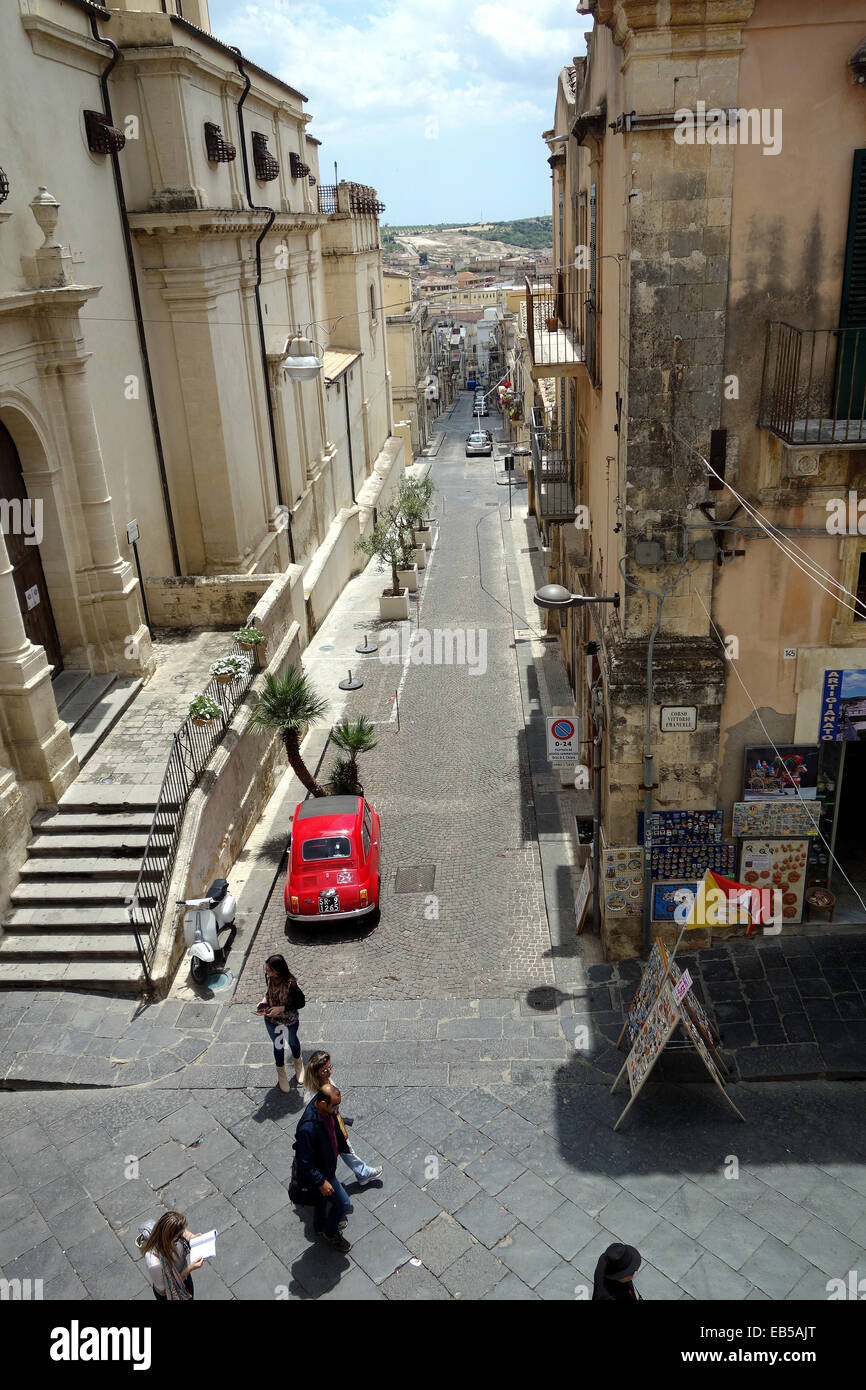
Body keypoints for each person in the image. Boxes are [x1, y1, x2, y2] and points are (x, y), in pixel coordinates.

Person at [303, 1051, 383, 1187]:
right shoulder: (312, 1094)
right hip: (326, 1129)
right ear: (316, 1073)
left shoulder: (326, 1080)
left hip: (334, 1122)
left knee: (345, 1149)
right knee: (337, 1153)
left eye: (330, 1067)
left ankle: (362, 1173)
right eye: (325, 1070)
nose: (329, 1072)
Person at [294, 1083, 352, 1253]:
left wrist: (340, 1147)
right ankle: (330, 1232)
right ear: (321, 1103)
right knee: (343, 1203)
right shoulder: (307, 1128)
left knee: (320, 1201)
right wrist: (321, 1182)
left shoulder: (327, 1110)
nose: (337, 1109)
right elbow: (303, 1160)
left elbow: (334, 1130)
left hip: (327, 1167)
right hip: (322, 1174)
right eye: (334, 1105)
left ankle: (319, 1227)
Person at [256, 953, 305, 1092]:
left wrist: (281, 1008)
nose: (267, 973)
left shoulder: (291, 985)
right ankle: (281, 1074)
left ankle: (298, 1064)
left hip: (289, 1020)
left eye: (269, 970)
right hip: (272, 1020)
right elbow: (269, 993)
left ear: (278, 970)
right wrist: (264, 1001)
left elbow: (301, 1003)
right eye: (266, 970)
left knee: (293, 1041)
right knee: (278, 1046)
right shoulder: (269, 978)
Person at [138, 1212, 204, 1301]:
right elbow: (166, 1289)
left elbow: (185, 1233)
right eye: (179, 1236)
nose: (182, 1236)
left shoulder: (173, 1232)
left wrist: (193, 1237)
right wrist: (189, 1269)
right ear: (169, 1238)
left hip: (185, 1278)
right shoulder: (154, 1263)